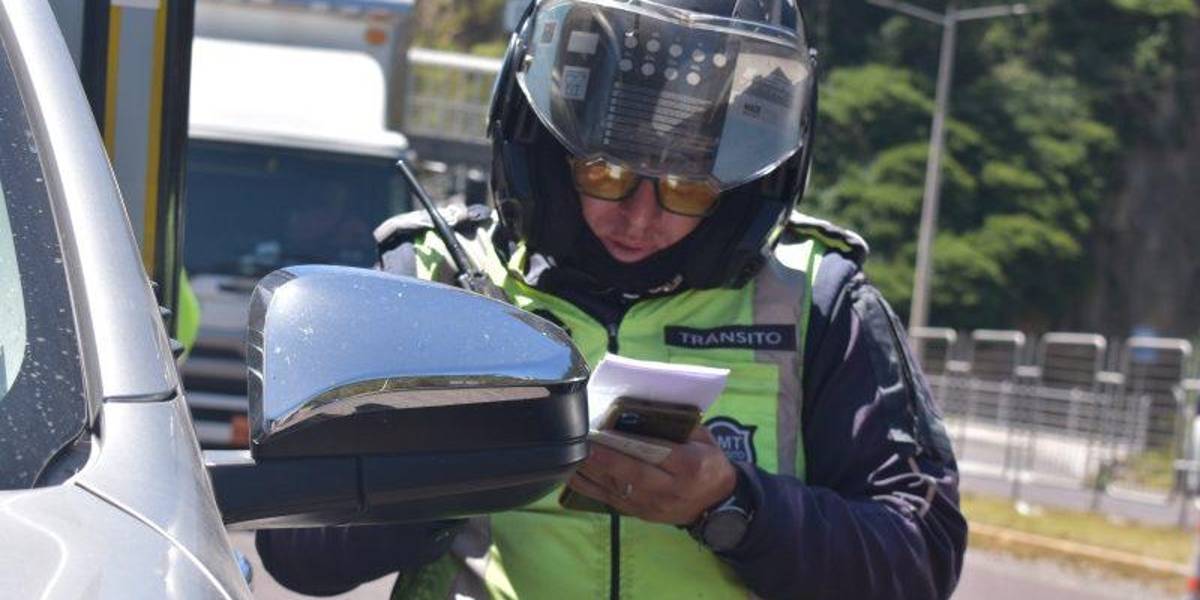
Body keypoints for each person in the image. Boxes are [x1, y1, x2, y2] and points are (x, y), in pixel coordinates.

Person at [256, 0, 967, 598]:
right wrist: (454, 469)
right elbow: (296, 550)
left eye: (689, 188)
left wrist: (733, 507)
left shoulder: (819, 303)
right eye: (606, 173)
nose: (641, 217)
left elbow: (920, 558)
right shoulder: (436, 276)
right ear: (548, 151)